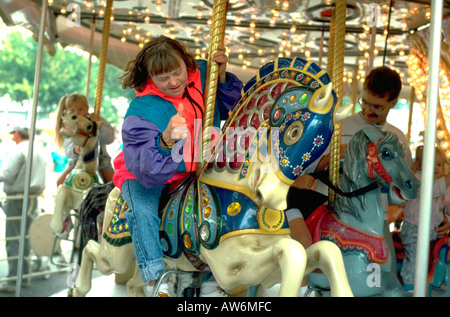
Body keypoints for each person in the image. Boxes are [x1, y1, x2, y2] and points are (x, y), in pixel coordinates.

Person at [113, 35, 243, 297]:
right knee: (144, 211)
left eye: (177, 73)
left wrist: (223, 73)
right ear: (150, 76)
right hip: (144, 171)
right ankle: (155, 279)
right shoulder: (142, 108)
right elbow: (147, 166)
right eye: (163, 79)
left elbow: (232, 106)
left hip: (195, 168)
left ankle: (212, 272)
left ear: (187, 64)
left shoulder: (204, 75)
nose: (173, 82)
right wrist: (165, 140)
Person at [286, 65, 412, 279]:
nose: (369, 109)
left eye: (378, 106)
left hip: (374, 214)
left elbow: (404, 182)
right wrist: (338, 154)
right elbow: (309, 167)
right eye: (365, 102)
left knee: (385, 271)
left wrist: (398, 207)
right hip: (331, 206)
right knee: (317, 263)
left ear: (392, 103)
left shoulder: (397, 138)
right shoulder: (340, 127)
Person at [0, 126, 47, 292]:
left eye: (13, 134)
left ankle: (14, 280)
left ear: (17, 134)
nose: (12, 137)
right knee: (27, 237)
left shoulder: (19, 150)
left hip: (18, 198)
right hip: (33, 198)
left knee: (14, 239)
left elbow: (6, 174)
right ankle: (24, 275)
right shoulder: (39, 149)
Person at [400, 145, 450, 292]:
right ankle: (409, 287)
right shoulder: (418, 179)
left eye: (439, 164)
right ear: (421, 165)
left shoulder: (442, 186)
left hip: (432, 232)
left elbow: (446, 204)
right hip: (414, 229)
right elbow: (432, 188)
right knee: (415, 258)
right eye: (431, 162)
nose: (435, 167)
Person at [54, 93, 115, 186]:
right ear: (67, 111)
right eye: (72, 110)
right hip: (77, 162)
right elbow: (67, 147)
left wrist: (99, 124)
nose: (77, 113)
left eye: (80, 109)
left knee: (113, 187)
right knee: (60, 183)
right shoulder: (71, 125)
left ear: (87, 108)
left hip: (101, 161)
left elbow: (109, 138)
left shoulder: (94, 120)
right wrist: (74, 149)